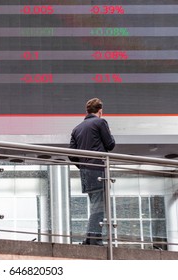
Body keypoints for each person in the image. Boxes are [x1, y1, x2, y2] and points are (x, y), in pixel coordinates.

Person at [69, 98, 115, 245]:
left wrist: (83, 165)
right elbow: (110, 144)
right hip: (98, 171)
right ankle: (95, 239)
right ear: (100, 111)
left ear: (87, 111)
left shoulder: (77, 129)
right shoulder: (101, 122)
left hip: (86, 172)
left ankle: (90, 238)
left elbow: (71, 154)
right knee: (99, 206)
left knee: (95, 204)